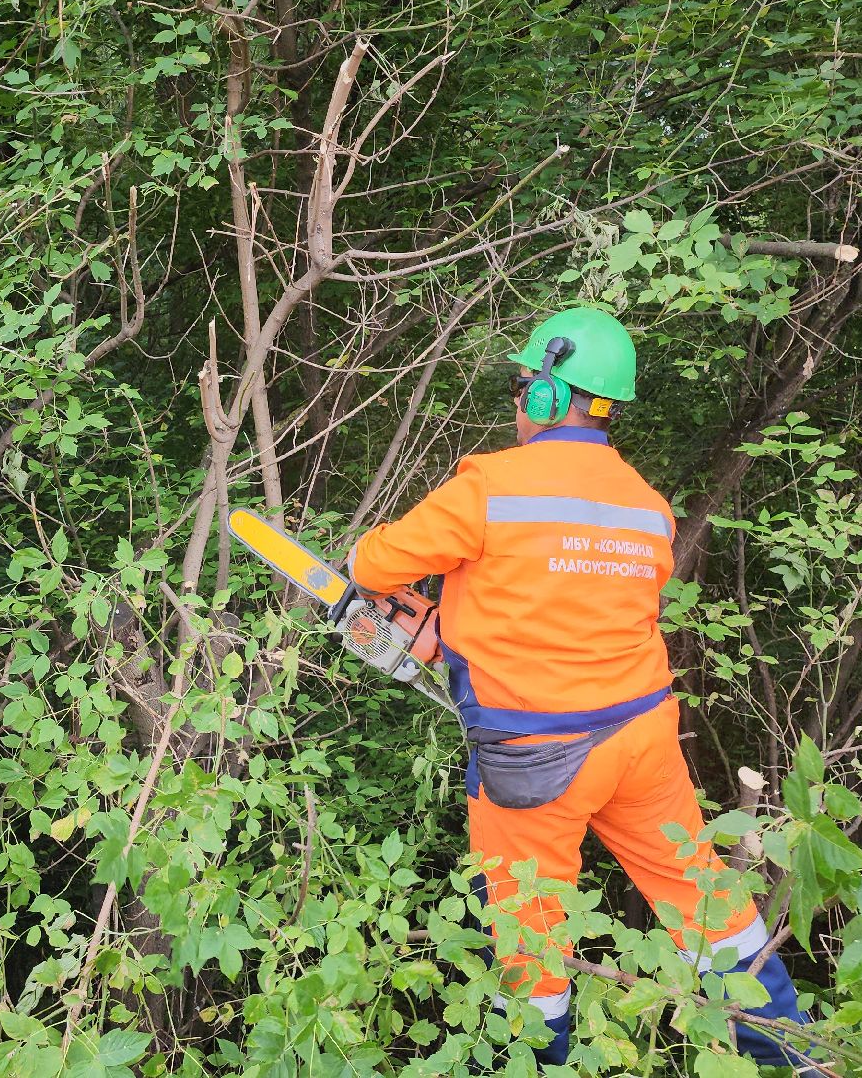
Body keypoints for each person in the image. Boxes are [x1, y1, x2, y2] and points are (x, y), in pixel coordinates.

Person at [346, 308, 809, 1066]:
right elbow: (570, 606)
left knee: (530, 931)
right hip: (642, 740)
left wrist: (426, 606)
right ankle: (793, 1050)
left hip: (538, 756)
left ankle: (536, 1060)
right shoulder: (648, 507)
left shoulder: (490, 486)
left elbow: (372, 566)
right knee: (702, 897)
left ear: (547, 395)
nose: (517, 400)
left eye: (523, 385)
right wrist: (457, 625)